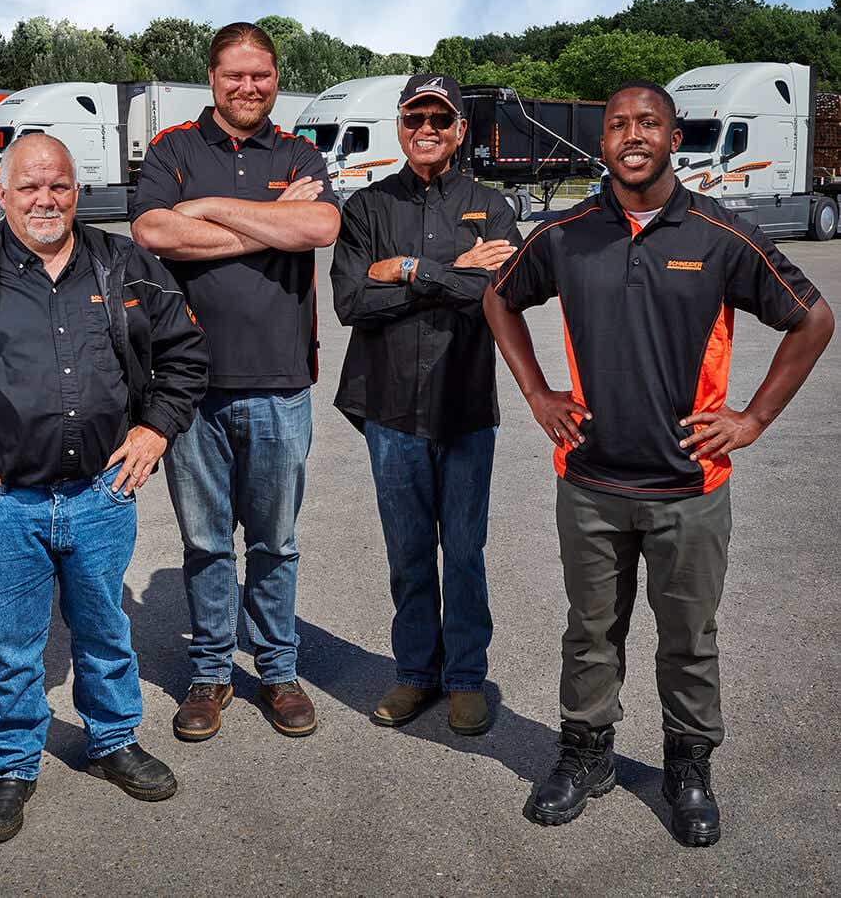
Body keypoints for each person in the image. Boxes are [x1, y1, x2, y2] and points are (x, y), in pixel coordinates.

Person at [484, 80, 834, 845]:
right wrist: (538, 391)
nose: (631, 135)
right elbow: (499, 299)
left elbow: (812, 317)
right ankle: (586, 754)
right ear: (601, 141)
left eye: (648, 123)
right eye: (617, 124)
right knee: (588, 631)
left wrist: (752, 418)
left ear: (674, 138)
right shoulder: (567, 232)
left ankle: (687, 764)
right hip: (590, 481)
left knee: (688, 637)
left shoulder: (718, 234)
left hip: (689, 486)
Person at [0, 134, 209, 844]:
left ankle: (112, 740)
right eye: (30, 187)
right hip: (1, 503)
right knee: (14, 644)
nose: (46, 199)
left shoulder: (125, 266)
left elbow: (185, 353)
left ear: (77, 190)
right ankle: (11, 764)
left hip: (101, 494)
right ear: (2, 188)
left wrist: (155, 431)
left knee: (106, 630)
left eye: (59, 186)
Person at [131, 22, 340, 740]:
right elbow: (155, 232)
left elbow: (317, 227)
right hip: (187, 388)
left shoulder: (300, 151)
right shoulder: (174, 148)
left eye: (261, 74)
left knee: (275, 542)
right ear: (212, 79)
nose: (248, 87)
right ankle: (212, 672)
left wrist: (211, 209)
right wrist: (269, 220)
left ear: (275, 77)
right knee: (208, 544)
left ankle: (278, 670)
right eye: (234, 75)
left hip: (282, 384)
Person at [330, 74, 518, 735]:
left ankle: (465, 677)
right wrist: (449, 272)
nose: (427, 129)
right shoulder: (366, 208)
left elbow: (494, 292)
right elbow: (351, 302)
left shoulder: (489, 206)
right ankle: (416, 672)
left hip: (464, 405)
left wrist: (410, 269)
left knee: (463, 549)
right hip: (389, 409)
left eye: (440, 118)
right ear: (400, 125)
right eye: (415, 118)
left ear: (461, 129)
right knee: (409, 550)